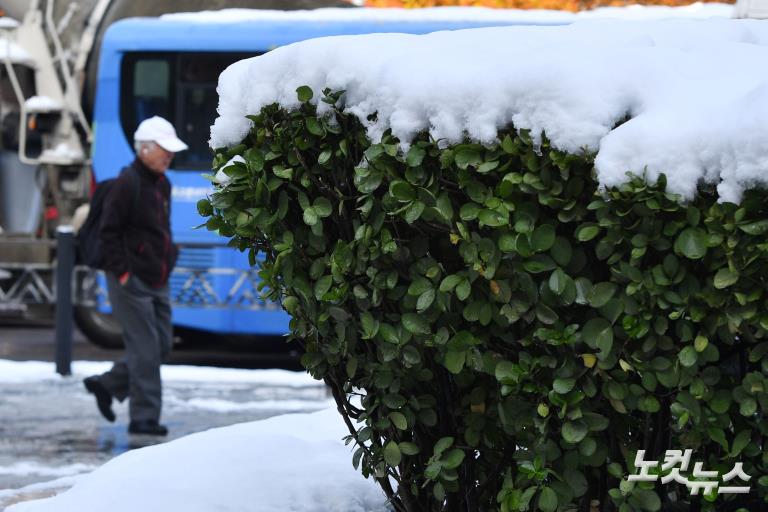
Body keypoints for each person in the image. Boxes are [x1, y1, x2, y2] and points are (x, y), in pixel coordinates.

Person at [83, 116, 187, 436]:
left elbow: (162, 230)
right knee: (145, 349)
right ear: (144, 149)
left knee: (162, 345)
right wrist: (124, 273)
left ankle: (107, 383)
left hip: (156, 276)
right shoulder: (127, 183)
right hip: (131, 279)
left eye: (171, 151)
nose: (169, 156)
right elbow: (108, 232)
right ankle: (144, 419)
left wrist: (167, 261)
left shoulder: (162, 183)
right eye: (164, 150)